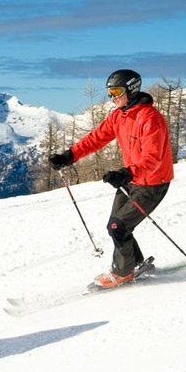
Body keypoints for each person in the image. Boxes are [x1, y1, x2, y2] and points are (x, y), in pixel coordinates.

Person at [49, 69, 174, 288]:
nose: (112, 97)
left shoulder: (150, 119)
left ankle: (122, 272)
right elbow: (95, 139)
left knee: (119, 226)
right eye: (109, 93)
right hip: (133, 180)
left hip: (153, 183)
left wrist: (127, 173)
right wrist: (69, 156)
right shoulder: (119, 116)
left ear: (131, 89)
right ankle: (134, 262)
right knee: (115, 226)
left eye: (116, 92)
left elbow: (153, 158)